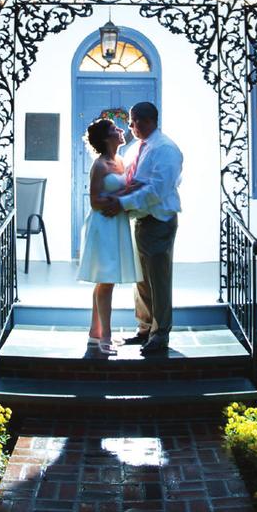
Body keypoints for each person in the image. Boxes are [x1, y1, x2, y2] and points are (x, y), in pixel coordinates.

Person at [99, 100, 183, 358]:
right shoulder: (138, 148)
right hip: (141, 220)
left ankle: (160, 334)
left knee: (159, 279)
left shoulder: (166, 149)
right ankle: (145, 328)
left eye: (134, 121)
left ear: (147, 121)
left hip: (158, 220)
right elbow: (133, 180)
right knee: (142, 279)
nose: (131, 126)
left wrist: (122, 203)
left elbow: (156, 190)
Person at [77, 117, 140, 355]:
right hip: (103, 225)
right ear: (106, 138)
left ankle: (95, 332)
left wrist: (126, 196)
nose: (121, 130)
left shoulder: (121, 160)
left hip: (117, 224)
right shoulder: (100, 165)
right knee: (106, 280)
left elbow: (123, 189)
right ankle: (106, 336)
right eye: (115, 129)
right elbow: (94, 202)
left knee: (106, 280)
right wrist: (119, 200)